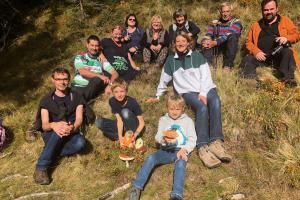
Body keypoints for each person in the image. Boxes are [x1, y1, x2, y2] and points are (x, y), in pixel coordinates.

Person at [147, 32, 232, 169]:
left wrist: (203, 93)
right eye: (177, 41)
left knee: (215, 101)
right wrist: (157, 96)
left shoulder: (197, 56)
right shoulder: (171, 60)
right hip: (188, 92)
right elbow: (164, 79)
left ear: (188, 43)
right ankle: (202, 146)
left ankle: (216, 142)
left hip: (205, 88)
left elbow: (206, 76)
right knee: (202, 107)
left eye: (183, 41)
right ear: (174, 44)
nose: (180, 43)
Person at [129, 95, 196, 200]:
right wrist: (163, 140)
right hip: (165, 150)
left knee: (180, 164)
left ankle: (176, 195)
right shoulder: (163, 119)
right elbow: (158, 136)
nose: (174, 112)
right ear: (167, 108)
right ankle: (136, 187)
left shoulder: (188, 121)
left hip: (180, 150)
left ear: (183, 109)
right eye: (171, 109)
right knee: (151, 158)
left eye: (178, 109)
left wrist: (185, 149)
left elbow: (192, 139)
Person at [33, 68, 86, 185]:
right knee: (59, 130)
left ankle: (51, 152)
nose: (62, 82)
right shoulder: (46, 100)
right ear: (53, 80)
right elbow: (45, 125)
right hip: (52, 134)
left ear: (69, 80)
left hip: (71, 132)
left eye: (65, 79)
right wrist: (55, 125)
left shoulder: (77, 96)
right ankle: (41, 168)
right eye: (58, 79)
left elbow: (79, 119)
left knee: (81, 144)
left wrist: (72, 128)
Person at [240, 0, 300, 86]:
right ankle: (250, 81)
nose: (269, 12)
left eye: (271, 9)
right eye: (266, 10)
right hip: (262, 58)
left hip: (279, 56)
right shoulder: (256, 25)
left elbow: (297, 35)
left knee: (288, 52)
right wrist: (256, 52)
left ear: (277, 9)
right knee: (248, 58)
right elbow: (248, 42)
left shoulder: (285, 21)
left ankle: (287, 79)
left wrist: (286, 38)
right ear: (262, 10)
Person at [95, 78, 145, 146]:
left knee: (125, 112)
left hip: (134, 125)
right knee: (98, 122)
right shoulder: (112, 101)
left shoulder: (132, 102)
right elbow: (119, 120)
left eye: (122, 91)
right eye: (116, 92)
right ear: (112, 92)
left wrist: (135, 135)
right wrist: (120, 136)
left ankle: (133, 138)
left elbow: (142, 123)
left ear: (126, 91)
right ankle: (122, 138)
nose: (119, 94)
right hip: (124, 125)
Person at [71, 35, 118, 102]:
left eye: (96, 46)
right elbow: (82, 72)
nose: (94, 48)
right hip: (78, 86)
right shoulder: (80, 57)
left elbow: (115, 73)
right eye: (92, 45)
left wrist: (110, 85)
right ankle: (81, 103)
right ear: (87, 45)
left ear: (99, 46)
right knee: (98, 78)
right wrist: (100, 76)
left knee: (97, 80)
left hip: (93, 88)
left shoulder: (101, 59)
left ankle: (79, 103)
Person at [201, 2, 242, 69]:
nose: (225, 14)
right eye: (223, 12)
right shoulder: (215, 23)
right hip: (216, 47)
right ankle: (208, 66)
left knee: (233, 37)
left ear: (231, 12)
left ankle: (227, 66)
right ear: (220, 12)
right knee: (206, 41)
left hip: (229, 47)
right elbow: (209, 34)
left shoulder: (236, 22)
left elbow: (229, 34)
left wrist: (215, 42)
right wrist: (206, 40)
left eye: (227, 11)